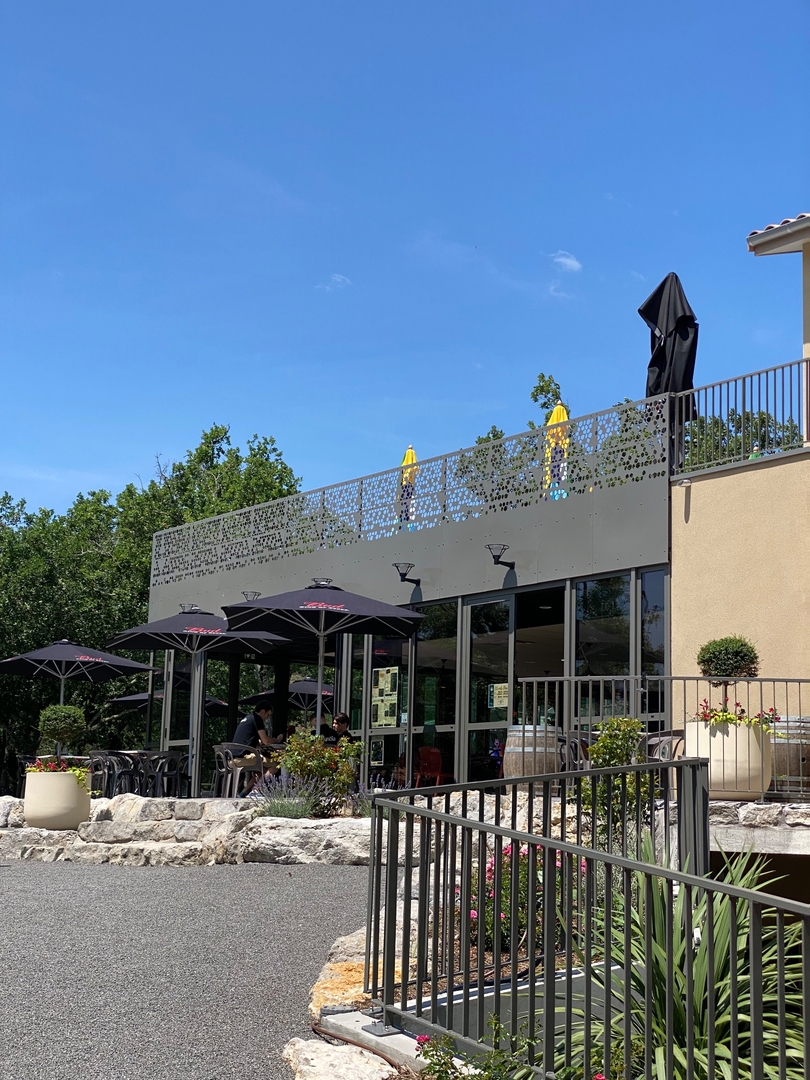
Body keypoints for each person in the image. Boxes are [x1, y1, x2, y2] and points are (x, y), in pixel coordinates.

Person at [231, 699, 278, 795]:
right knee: (275, 764)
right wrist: (276, 740)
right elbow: (265, 741)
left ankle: (243, 794)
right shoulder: (257, 719)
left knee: (261, 769)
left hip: (231, 758)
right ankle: (255, 791)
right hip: (242, 758)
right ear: (263, 711)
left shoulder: (247, 718)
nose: (267, 718)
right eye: (268, 715)